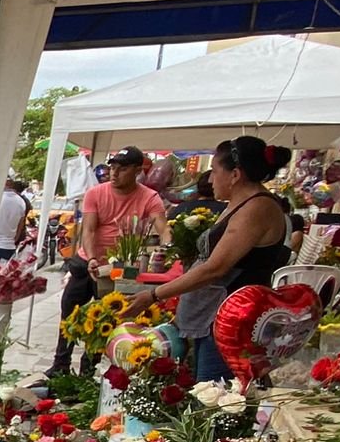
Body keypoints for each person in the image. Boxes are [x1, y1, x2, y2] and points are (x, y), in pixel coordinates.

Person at [122, 136, 293, 382]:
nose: (210, 179)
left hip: (231, 322)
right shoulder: (240, 204)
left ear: (235, 175)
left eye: (214, 171)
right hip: (212, 318)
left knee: (214, 398)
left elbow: (215, 268)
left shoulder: (257, 208)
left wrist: (153, 295)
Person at [46, 146, 168, 376]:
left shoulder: (149, 197)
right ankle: (60, 365)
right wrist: (92, 258)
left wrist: (168, 248)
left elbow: (162, 227)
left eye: (122, 168)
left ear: (137, 170)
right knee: (70, 313)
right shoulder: (96, 193)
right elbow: (89, 231)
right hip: (87, 262)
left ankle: (88, 369)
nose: (115, 172)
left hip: (118, 269)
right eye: (113, 167)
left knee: (105, 319)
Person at [0, 178, 30, 264]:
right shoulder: (21, 201)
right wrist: (14, 239)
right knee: (5, 275)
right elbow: (20, 225)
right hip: (9, 247)